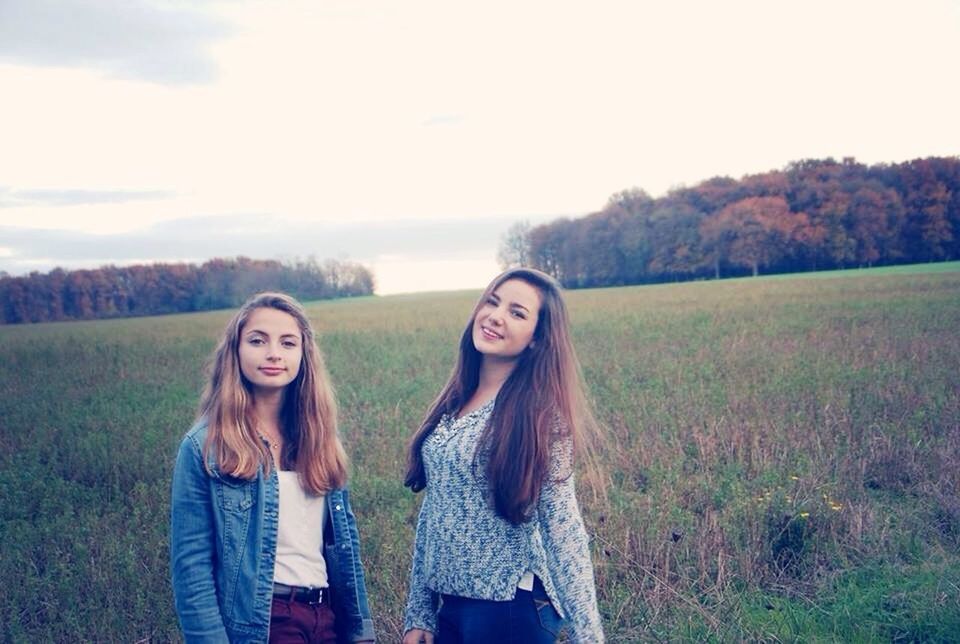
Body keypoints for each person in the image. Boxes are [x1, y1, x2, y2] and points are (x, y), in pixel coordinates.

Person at [402, 268, 604, 643]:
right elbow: (435, 509)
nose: (495, 316)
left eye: (517, 312)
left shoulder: (540, 417)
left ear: (535, 339)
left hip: (510, 612)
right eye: (492, 302)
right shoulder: (455, 403)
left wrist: (589, 637)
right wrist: (420, 612)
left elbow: (564, 528)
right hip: (452, 610)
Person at [170, 292, 376, 644]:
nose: (273, 354)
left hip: (326, 620)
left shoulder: (320, 437)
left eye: (288, 342)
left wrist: (360, 630)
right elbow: (191, 568)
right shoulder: (205, 446)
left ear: (303, 355)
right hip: (264, 625)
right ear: (235, 351)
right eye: (257, 340)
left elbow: (345, 545)